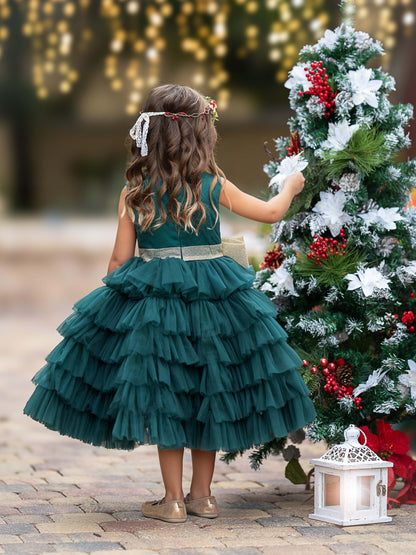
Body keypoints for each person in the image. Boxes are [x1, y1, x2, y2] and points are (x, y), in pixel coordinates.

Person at [23, 84, 316, 524]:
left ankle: (173, 500)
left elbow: (121, 257)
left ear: (150, 135)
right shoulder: (213, 184)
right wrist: (291, 185)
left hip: (156, 303)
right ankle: (204, 496)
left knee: (168, 394)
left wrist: (116, 301)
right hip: (215, 299)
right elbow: (272, 213)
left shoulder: (135, 189)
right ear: (201, 134)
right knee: (207, 390)